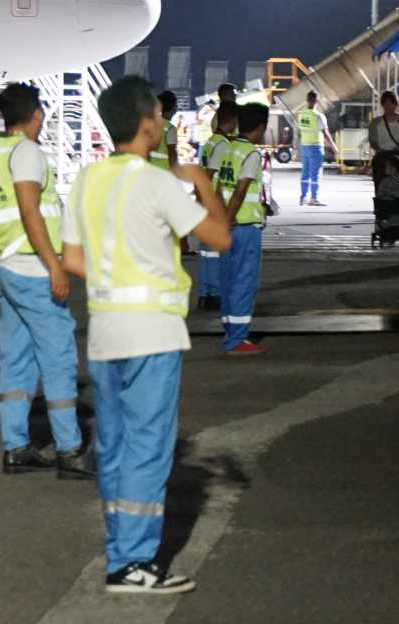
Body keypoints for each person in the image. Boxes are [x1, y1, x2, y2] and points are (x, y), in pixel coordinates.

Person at [61, 75, 231, 595]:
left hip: (105, 331)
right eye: (158, 114)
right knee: (148, 448)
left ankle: (121, 552)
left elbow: (72, 259)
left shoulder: (86, 180)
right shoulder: (157, 183)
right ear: (147, 125)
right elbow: (219, 237)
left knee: (114, 445)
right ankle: (133, 564)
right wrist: (201, 182)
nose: (161, 121)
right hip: (153, 333)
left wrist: (115, 277)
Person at [0, 83, 93, 478]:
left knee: (16, 359)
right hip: (31, 269)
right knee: (58, 359)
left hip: (5, 267)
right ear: (37, 114)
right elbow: (30, 212)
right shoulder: (26, 152)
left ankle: (16, 447)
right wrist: (54, 266)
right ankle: (69, 450)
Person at [215, 104, 270, 356]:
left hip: (228, 225)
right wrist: (229, 220)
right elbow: (240, 191)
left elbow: (219, 187)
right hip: (244, 225)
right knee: (244, 281)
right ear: (261, 127)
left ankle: (230, 330)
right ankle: (237, 339)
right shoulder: (251, 153)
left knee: (228, 280)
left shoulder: (228, 148)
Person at [193, 102, 238, 311]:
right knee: (216, 253)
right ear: (231, 121)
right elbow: (211, 175)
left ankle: (205, 294)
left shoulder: (209, 142)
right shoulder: (222, 145)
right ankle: (215, 294)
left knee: (206, 253)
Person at [294, 91, 334, 207]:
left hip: (304, 147)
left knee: (305, 173)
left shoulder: (301, 115)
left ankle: (303, 198)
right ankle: (314, 198)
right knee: (315, 174)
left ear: (307, 100)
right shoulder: (318, 116)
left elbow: (299, 132)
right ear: (317, 101)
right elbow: (325, 133)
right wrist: (333, 146)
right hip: (316, 147)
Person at [367, 91, 399, 183]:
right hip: (382, 157)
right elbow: (372, 142)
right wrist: (379, 150)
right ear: (382, 105)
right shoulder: (375, 123)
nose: (389, 106)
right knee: (380, 180)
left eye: (391, 103)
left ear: (396, 104)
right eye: (386, 103)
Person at [149, 91, 179, 169]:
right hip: (163, 170)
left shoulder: (150, 124)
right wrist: (176, 171)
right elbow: (172, 153)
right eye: (176, 105)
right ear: (173, 107)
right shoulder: (170, 128)